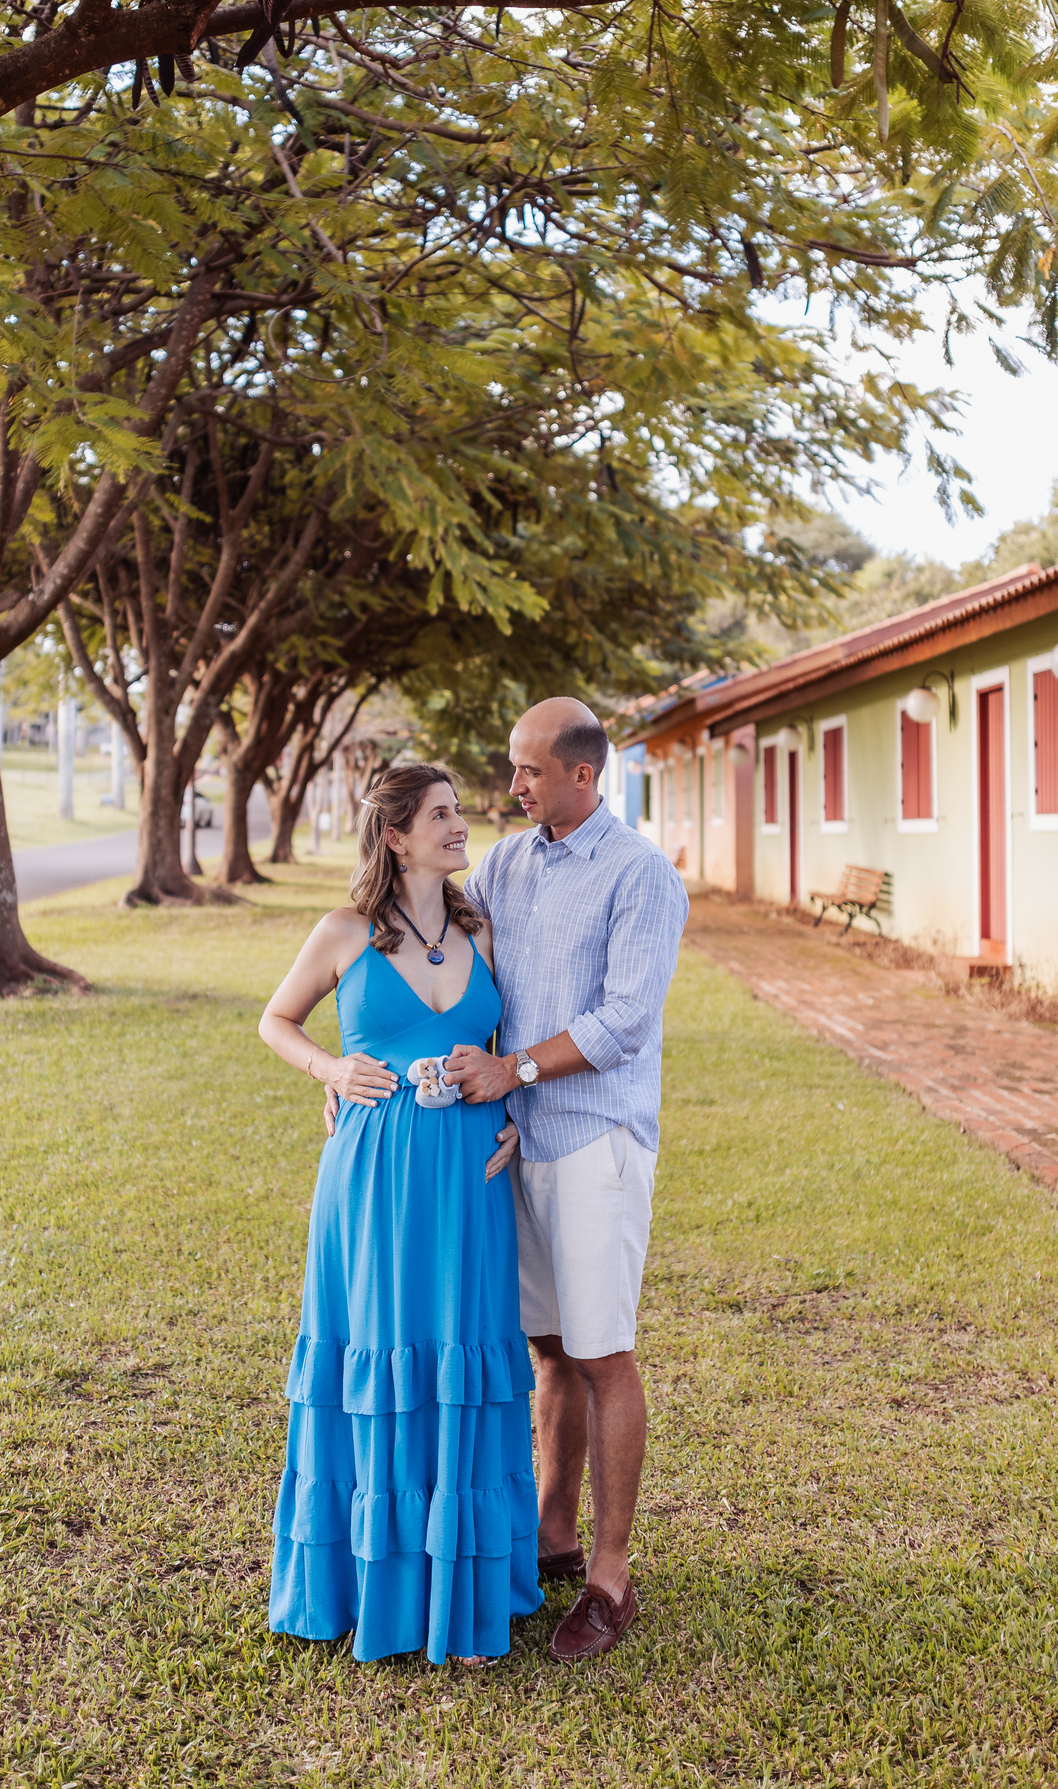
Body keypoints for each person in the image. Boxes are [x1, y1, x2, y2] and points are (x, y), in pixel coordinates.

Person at [258, 763, 542, 1666]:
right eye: (443, 816)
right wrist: (332, 1073)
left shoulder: (482, 930)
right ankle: (366, 1584)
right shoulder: (342, 932)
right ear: (395, 836)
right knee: (379, 1354)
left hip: (469, 1178)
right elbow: (277, 1021)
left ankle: (461, 1580)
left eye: (460, 813)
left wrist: (515, 1121)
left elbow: (504, 1050)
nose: (462, 827)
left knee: (459, 1357)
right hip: (371, 1182)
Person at [444, 698, 688, 1663]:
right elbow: (446, 953)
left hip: (595, 1142)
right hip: (519, 1145)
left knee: (602, 1354)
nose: (513, 787)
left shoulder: (642, 876)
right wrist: (354, 1069)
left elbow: (625, 1018)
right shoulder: (507, 862)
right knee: (548, 1351)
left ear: (584, 776)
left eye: (529, 772)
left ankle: (611, 1579)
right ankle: (553, 1538)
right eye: (512, 769)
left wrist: (519, 1069)